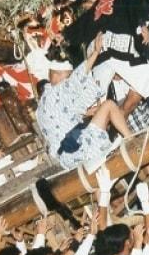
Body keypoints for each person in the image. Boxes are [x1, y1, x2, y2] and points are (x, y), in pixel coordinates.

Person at [36, 33, 133, 170]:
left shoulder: (42, 104)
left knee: (100, 112)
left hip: (66, 157)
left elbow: (64, 117)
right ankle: (132, 140)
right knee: (109, 105)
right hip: (79, 148)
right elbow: (77, 77)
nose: (69, 78)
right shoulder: (58, 91)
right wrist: (96, 52)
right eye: (67, 75)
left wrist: (85, 113)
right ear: (57, 74)